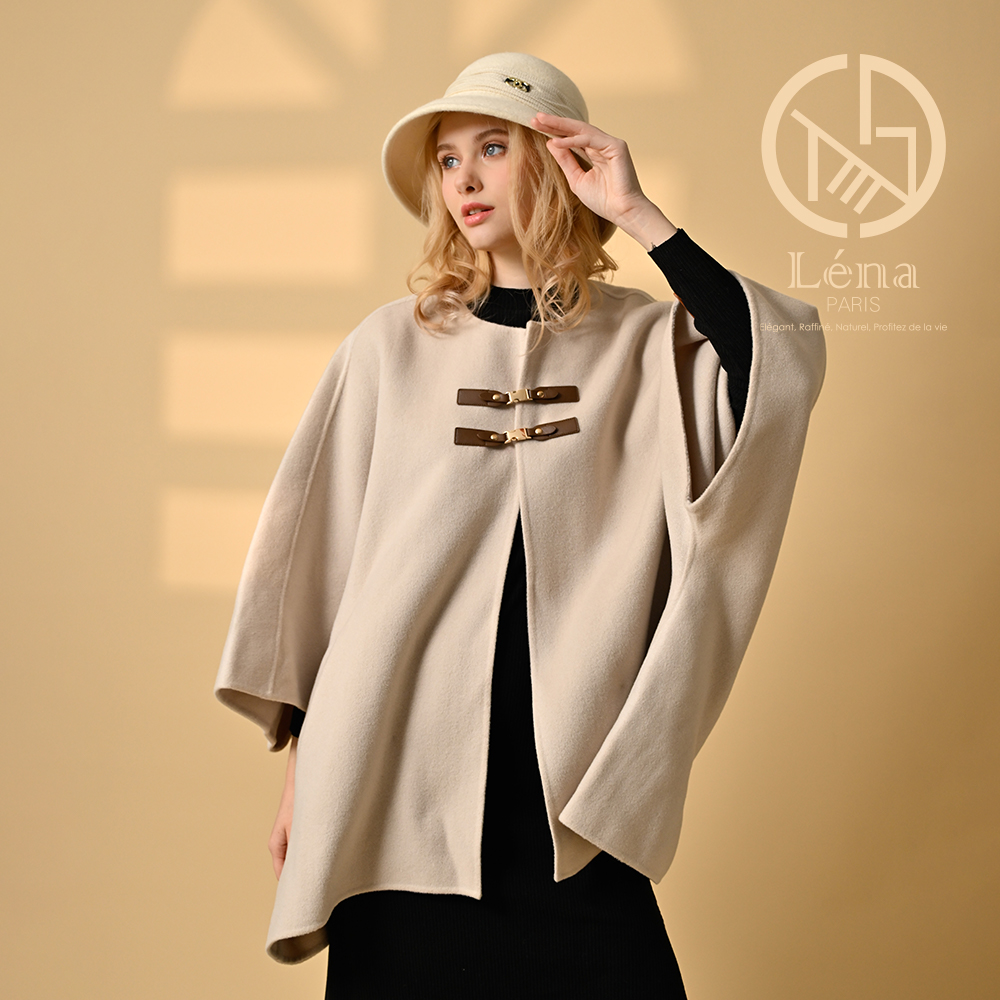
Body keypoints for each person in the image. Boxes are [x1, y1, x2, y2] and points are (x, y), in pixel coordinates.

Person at [216, 52, 825, 998]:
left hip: (566, 789)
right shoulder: (387, 347)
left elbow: (777, 360)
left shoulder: (649, 343)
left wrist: (639, 215)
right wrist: (306, 779)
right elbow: (316, 570)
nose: (463, 178)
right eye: (447, 159)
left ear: (557, 159)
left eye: (492, 148)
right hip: (390, 772)